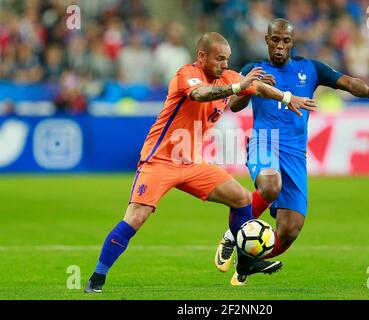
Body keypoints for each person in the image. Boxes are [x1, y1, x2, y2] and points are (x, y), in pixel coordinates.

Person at [84, 31, 317, 293]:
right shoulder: (186, 74)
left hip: (192, 162)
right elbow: (201, 94)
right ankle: (97, 279)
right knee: (137, 216)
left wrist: (286, 97)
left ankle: (246, 262)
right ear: (202, 56)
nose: (225, 65)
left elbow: (258, 86)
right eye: (219, 59)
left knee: (242, 199)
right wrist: (239, 87)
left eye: (227, 59)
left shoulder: (227, 77)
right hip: (160, 160)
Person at [215, 18, 369, 285]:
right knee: (270, 184)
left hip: (295, 154)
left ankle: (245, 264)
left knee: (289, 230)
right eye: (274, 40)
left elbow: (345, 81)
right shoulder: (253, 68)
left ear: (292, 43)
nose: (279, 46)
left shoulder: (309, 68)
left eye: (285, 41)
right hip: (264, 141)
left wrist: (367, 90)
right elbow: (234, 105)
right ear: (267, 40)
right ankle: (232, 234)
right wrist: (253, 87)